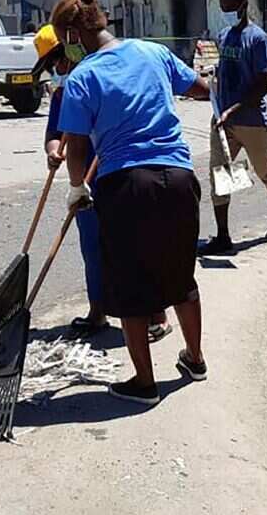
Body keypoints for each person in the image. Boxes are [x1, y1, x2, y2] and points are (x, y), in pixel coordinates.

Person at [53, 0, 210, 406]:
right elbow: (199, 87)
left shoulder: (82, 76)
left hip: (126, 185)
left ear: (71, 37)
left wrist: (76, 188)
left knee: (129, 282)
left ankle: (144, 382)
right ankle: (195, 359)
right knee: (181, 275)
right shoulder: (151, 51)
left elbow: (78, 145)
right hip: (178, 176)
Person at [39, 22, 173, 341]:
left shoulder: (103, 77)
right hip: (82, 182)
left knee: (136, 247)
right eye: (51, 65)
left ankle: (158, 313)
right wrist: (54, 151)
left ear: (72, 49)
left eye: (57, 60)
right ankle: (97, 311)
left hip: (120, 175)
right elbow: (54, 135)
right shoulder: (62, 93)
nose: (57, 68)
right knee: (93, 247)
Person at [199, 0, 267, 254]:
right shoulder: (225, 35)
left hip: (251, 121)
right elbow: (223, 70)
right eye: (222, 7)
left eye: (229, 7)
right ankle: (223, 235)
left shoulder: (258, 39)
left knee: (265, 170)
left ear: (242, 5)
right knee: (219, 175)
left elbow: (261, 85)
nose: (225, 12)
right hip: (223, 121)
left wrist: (233, 109)